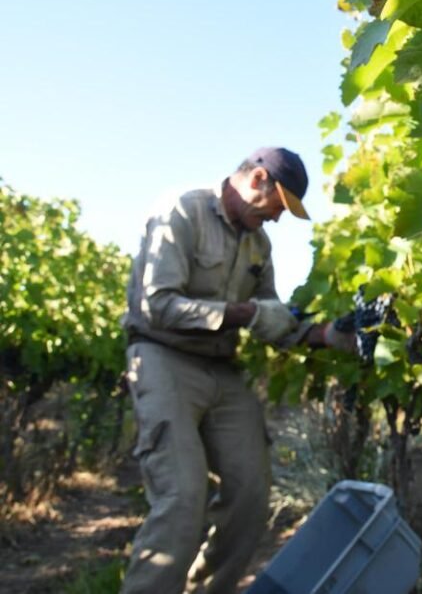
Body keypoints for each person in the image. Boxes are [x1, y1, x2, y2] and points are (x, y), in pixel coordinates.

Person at [120, 147, 355, 594]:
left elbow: (270, 318)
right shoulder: (182, 211)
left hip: (221, 367)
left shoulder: (258, 244)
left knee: (251, 496)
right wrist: (243, 313)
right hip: (162, 355)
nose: (279, 220)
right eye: (279, 206)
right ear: (259, 179)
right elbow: (157, 305)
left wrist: (326, 335)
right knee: (182, 498)